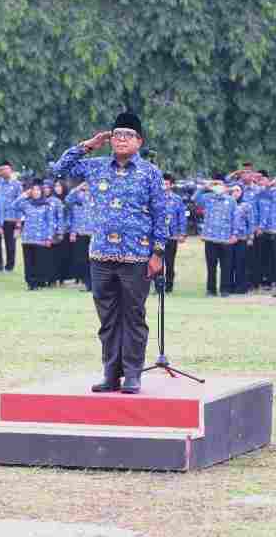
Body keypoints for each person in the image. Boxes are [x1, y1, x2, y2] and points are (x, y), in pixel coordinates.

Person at [52, 112, 167, 395]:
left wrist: (158, 252)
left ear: (139, 141)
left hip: (136, 255)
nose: (121, 140)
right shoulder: (97, 166)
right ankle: (110, 374)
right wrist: (88, 144)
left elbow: (160, 214)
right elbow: (59, 169)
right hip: (102, 253)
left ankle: (132, 375)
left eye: (128, 135)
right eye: (116, 135)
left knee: (134, 316)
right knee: (107, 318)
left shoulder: (150, 172)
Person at [193, 179, 237, 297]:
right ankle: (211, 290)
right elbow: (195, 199)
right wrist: (205, 187)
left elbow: (235, 218)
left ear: (225, 186)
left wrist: (234, 234)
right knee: (211, 266)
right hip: (210, 238)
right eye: (216, 185)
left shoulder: (231, 200)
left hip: (226, 238)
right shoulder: (208, 198)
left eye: (220, 185)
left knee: (226, 266)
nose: (218, 187)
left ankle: (225, 290)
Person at [12, 181, 55, 290]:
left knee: (39, 262)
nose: (36, 192)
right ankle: (30, 283)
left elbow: (50, 222)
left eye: (38, 190)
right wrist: (24, 195)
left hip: (41, 238)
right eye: (34, 190)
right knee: (28, 262)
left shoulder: (47, 205)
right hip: (27, 238)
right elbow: (14, 205)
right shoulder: (27, 203)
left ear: (41, 192)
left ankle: (38, 283)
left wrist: (49, 237)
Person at [0, 161, 23, 272]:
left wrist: (18, 222)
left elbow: (20, 204)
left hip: (11, 218)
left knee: (10, 244)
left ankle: (10, 266)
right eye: (2, 169)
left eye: (6, 169)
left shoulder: (17, 184)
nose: (4, 171)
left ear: (11, 170)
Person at [162, 173, 188, 293]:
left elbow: (182, 217)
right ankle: (158, 286)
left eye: (167, 183)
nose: (164, 185)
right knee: (156, 261)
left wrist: (182, 233)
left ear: (171, 185)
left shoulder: (177, 199)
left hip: (172, 236)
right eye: (162, 183)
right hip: (158, 236)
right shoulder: (155, 197)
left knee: (169, 262)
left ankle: (169, 286)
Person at [66, 181, 93, 291]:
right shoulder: (81, 196)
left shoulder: (100, 195)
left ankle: (97, 284)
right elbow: (68, 200)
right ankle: (87, 284)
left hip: (96, 232)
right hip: (82, 232)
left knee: (96, 260)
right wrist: (78, 188)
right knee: (83, 259)